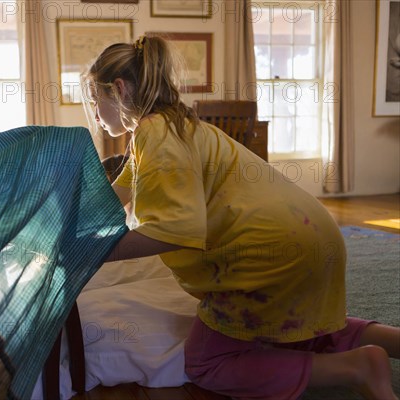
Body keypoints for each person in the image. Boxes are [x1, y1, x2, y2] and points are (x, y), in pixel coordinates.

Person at [83, 35, 400, 400]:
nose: (94, 114)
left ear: (119, 89)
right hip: (314, 236)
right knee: (301, 328)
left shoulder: (154, 135)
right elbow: (114, 196)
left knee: (205, 363)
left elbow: (176, 231)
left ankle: (354, 367)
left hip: (272, 254)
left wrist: (99, 251)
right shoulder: (173, 125)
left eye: (95, 102)